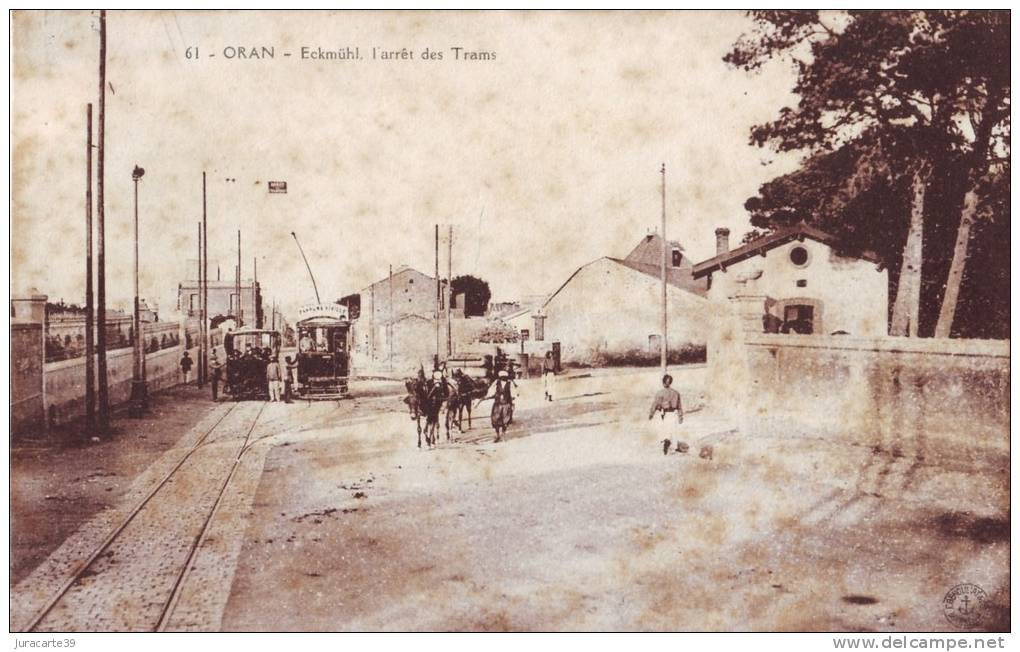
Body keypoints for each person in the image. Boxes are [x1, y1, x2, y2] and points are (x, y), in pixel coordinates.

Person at [649, 374, 684, 454]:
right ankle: (674, 447)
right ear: (671, 382)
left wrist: (651, 414)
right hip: (674, 413)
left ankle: (666, 442)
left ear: (663, 383)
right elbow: (679, 406)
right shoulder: (676, 393)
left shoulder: (660, 393)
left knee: (666, 430)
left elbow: (655, 404)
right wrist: (681, 416)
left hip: (666, 413)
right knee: (674, 430)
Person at [483, 370, 516, 443]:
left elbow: (514, 393)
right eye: (502, 377)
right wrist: (488, 396)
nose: (503, 379)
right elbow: (491, 391)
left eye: (504, 378)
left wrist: (512, 399)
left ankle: (503, 434)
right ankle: (497, 435)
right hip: (498, 404)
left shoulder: (510, 383)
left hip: (506, 404)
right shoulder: (496, 382)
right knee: (495, 420)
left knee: (505, 420)